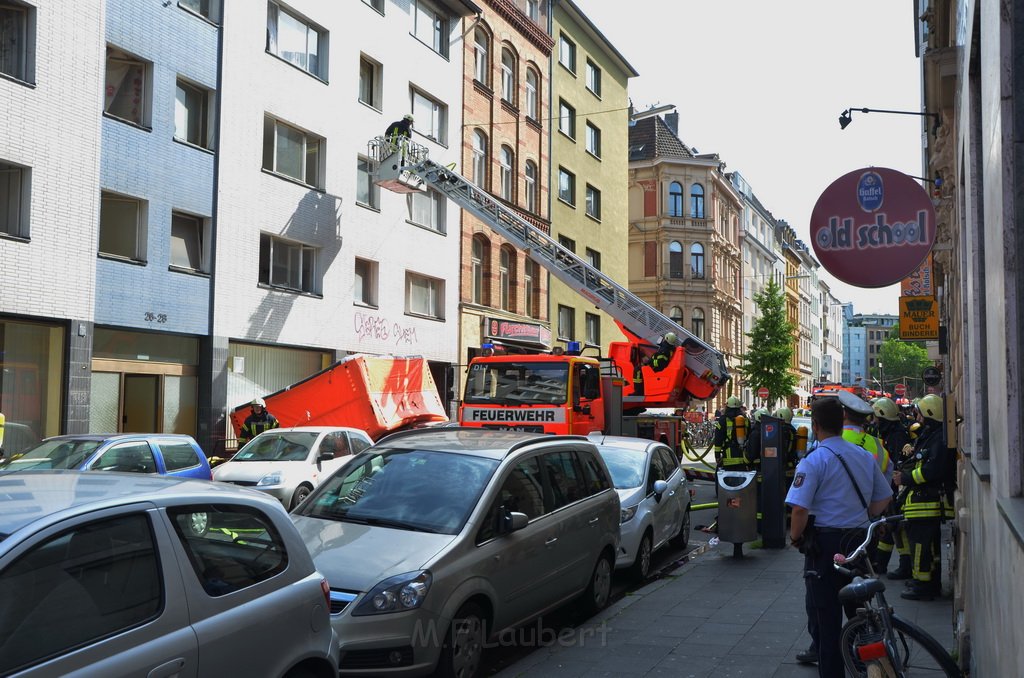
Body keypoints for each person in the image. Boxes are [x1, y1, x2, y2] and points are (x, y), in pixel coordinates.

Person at [787, 397, 892, 676]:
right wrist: (861, 513)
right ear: (842, 421)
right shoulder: (863, 455)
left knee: (826, 618)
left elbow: (799, 508)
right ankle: (867, 666)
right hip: (858, 543)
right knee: (860, 611)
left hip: (825, 546)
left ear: (816, 425)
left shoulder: (814, 459)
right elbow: (884, 497)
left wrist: (796, 537)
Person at [894, 394, 952, 600]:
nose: (917, 418)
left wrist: (905, 478)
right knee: (928, 547)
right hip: (923, 500)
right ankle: (928, 581)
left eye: (919, 413)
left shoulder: (938, 439)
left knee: (920, 546)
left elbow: (931, 471)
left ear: (929, 414)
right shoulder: (932, 435)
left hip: (926, 502)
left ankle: (923, 585)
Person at [872, 397, 914, 577]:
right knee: (892, 526)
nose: (874, 422)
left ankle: (896, 566)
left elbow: (900, 463)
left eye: (876, 419)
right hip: (891, 487)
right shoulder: (891, 433)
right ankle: (883, 564)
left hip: (897, 488)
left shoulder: (896, 436)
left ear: (884, 418)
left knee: (894, 526)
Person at [713, 396, 750, 471]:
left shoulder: (723, 420)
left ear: (728, 407)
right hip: (743, 457)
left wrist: (717, 455)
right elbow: (749, 436)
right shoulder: (745, 419)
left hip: (728, 458)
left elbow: (718, 439)